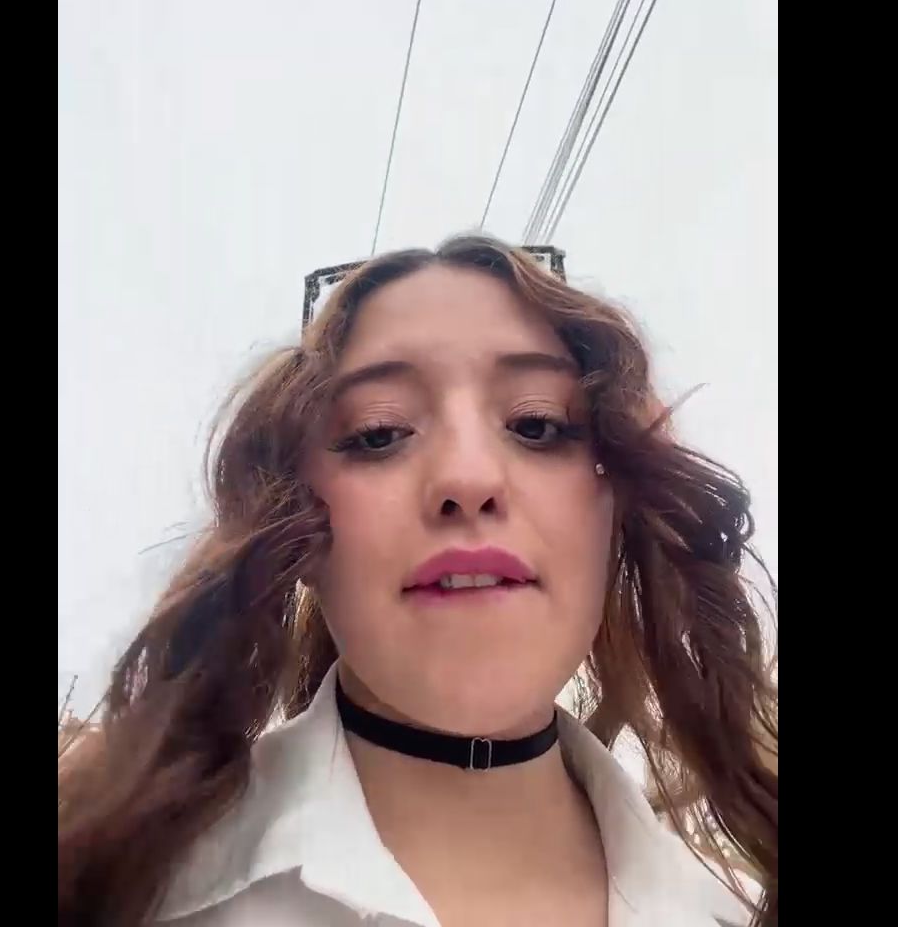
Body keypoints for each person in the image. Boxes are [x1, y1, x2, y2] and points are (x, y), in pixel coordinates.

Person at [58, 235, 777, 927]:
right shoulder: (112, 884)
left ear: (617, 503)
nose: (467, 476)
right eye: (378, 433)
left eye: (537, 424)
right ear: (293, 521)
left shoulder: (737, 910)